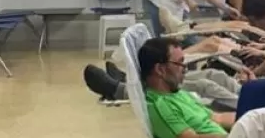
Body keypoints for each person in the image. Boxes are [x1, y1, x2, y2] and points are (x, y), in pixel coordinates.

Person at [84, 35, 245, 116]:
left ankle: (122, 90)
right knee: (215, 74)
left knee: (205, 85)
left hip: (254, 105)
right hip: (251, 86)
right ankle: (129, 81)